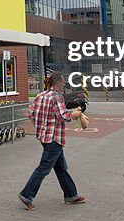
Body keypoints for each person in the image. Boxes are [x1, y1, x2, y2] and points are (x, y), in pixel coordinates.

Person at [18, 71, 85, 210]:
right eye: (63, 81)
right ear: (58, 83)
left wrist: (39, 126)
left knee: (61, 168)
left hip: (44, 137)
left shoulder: (41, 95)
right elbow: (63, 116)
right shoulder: (57, 96)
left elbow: (30, 113)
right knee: (43, 168)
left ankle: (71, 195)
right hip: (54, 137)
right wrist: (75, 114)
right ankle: (26, 195)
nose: (65, 83)